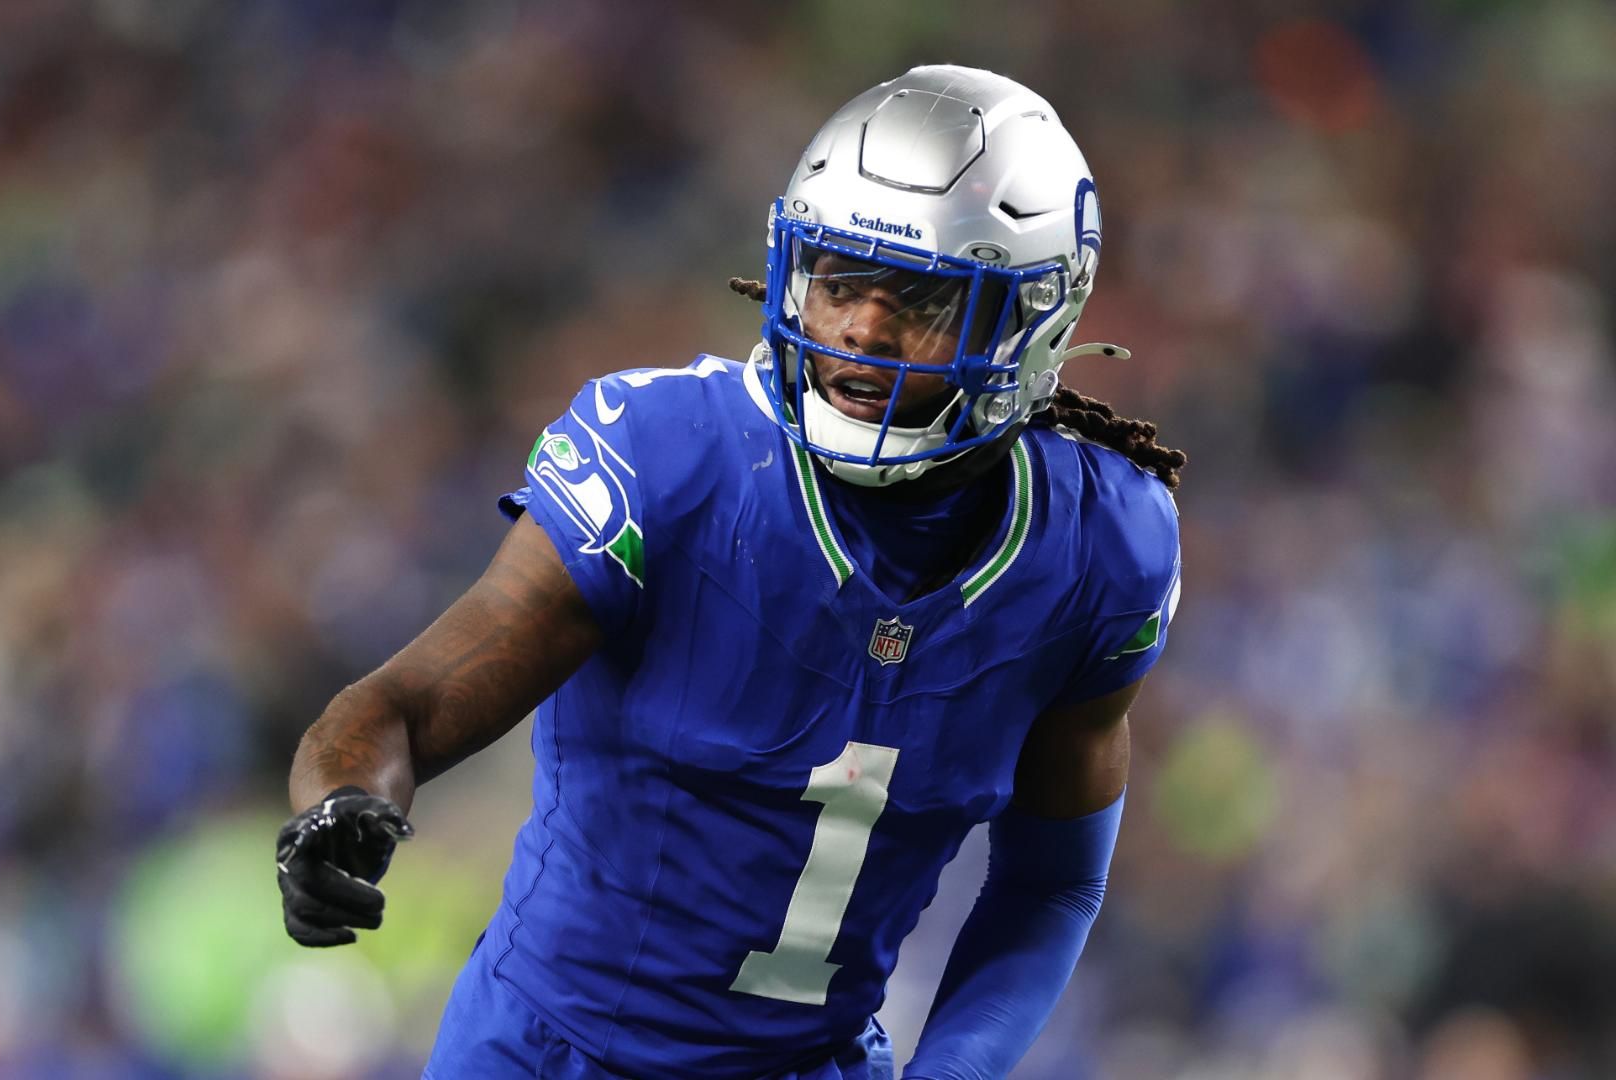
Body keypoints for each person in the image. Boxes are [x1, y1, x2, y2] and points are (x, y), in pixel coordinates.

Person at [276, 65, 1186, 1079]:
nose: (863, 328)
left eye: (924, 296)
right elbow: (401, 708)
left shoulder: (1100, 548)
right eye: (838, 281)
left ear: (1035, 321)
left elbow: (1050, 885)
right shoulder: (672, 462)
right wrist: (337, 802)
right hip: (547, 1058)